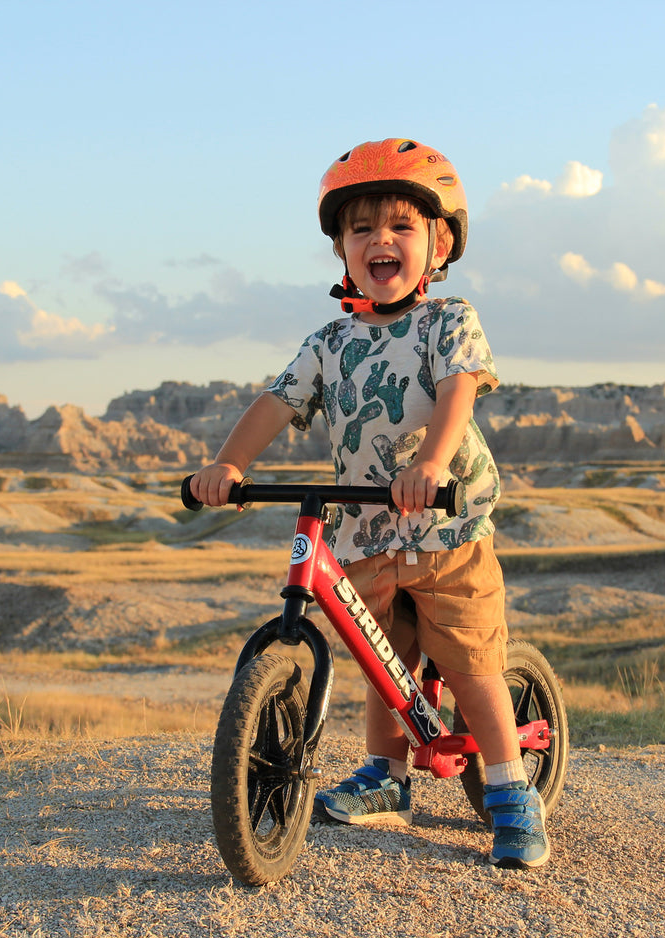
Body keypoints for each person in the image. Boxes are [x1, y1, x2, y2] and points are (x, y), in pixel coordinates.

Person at [188, 138, 548, 870]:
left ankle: (511, 789)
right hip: (362, 529)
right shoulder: (329, 341)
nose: (379, 240)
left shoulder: (447, 321)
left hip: (445, 524)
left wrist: (431, 462)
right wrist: (230, 462)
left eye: (400, 227)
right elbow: (275, 400)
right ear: (340, 251)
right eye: (361, 229)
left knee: (472, 659)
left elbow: (458, 391)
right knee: (379, 657)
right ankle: (386, 776)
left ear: (438, 242)